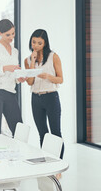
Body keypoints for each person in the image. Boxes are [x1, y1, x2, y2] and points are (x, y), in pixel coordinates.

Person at [24, 29, 64, 159]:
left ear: (45, 44)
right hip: (36, 98)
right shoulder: (28, 60)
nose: (35, 45)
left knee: (55, 133)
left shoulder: (54, 57)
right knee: (43, 133)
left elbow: (60, 79)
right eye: (33, 42)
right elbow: (30, 82)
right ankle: (47, 162)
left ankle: (58, 164)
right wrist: (32, 62)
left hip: (51, 97)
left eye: (39, 43)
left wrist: (48, 76)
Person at [0, 19, 27, 135]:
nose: (11, 37)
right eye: (8, 34)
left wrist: (19, 79)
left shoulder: (15, 51)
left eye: (13, 33)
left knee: (19, 131)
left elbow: (12, 74)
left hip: (10, 93)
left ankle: (18, 153)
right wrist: (4, 68)